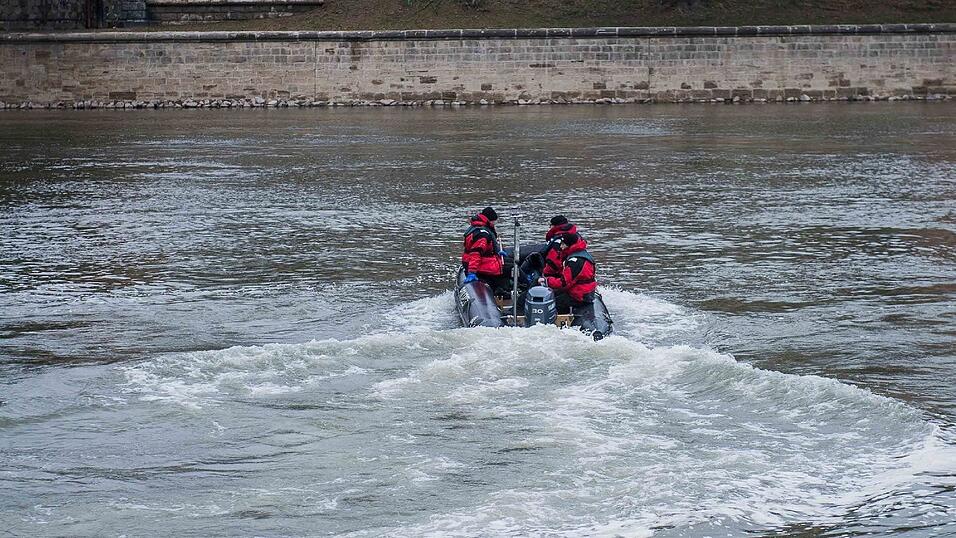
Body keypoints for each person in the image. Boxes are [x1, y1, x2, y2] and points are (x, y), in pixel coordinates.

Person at [540, 232, 597, 313]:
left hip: (579, 296)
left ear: (568, 245)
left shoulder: (574, 261)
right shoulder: (581, 254)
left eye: (563, 244)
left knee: (550, 303)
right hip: (583, 292)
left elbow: (564, 283)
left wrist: (546, 280)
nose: (560, 247)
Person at [461, 207, 510, 291]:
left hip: (478, 261)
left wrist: (497, 252)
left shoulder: (477, 228)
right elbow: (476, 254)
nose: (494, 223)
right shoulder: (482, 235)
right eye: (494, 221)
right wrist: (472, 272)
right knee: (511, 267)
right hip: (480, 265)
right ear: (490, 220)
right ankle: (526, 284)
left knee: (509, 262)